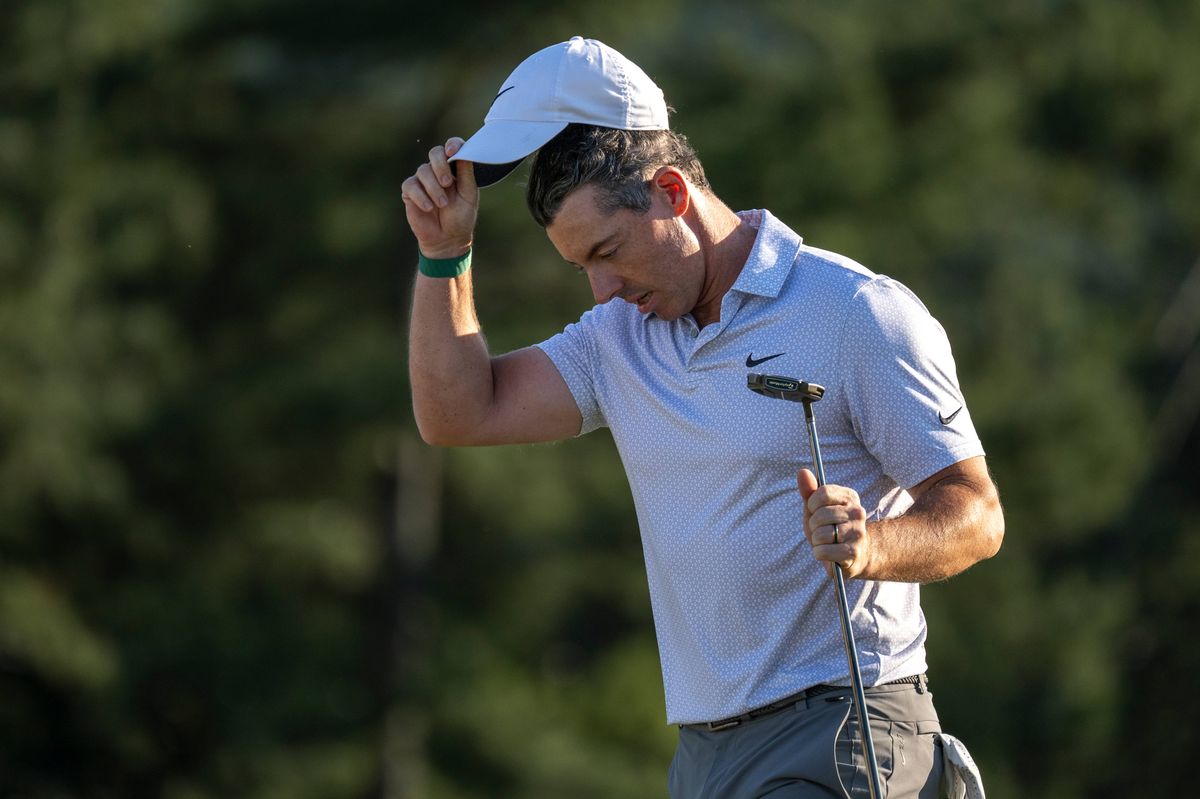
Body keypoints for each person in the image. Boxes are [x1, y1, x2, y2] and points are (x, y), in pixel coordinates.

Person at [402, 36, 1004, 799]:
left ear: (673, 193)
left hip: (843, 728)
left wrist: (874, 543)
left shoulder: (855, 312)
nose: (601, 290)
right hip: (703, 756)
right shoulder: (618, 339)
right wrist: (445, 254)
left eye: (609, 250)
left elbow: (977, 515)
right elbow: (459, 413)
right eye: (581, 265)